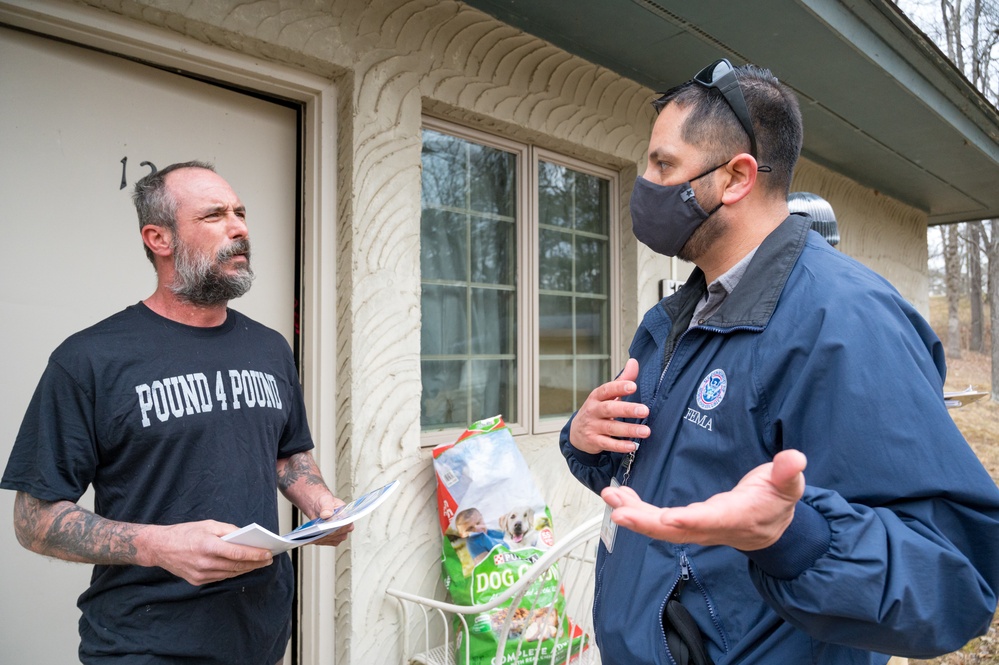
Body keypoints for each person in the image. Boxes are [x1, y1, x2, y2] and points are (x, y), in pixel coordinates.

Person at [560, 59, 999, 665]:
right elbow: (653, 485)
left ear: (736, 177)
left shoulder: (843, 322)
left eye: (663, 165)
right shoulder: (677, 316)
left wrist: (789, 536)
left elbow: (951, 582)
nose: (645, 183)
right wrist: (586, 442)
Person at [2, 161, 350, 664]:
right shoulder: (89, 360)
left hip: (262, 635)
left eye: (240, 212)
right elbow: (33, 521)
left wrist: (320, 504)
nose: (240, 228)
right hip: (145, 646)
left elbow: (287, 454)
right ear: (158, 238)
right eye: (214, 215)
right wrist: (157, 546)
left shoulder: (269, 348)